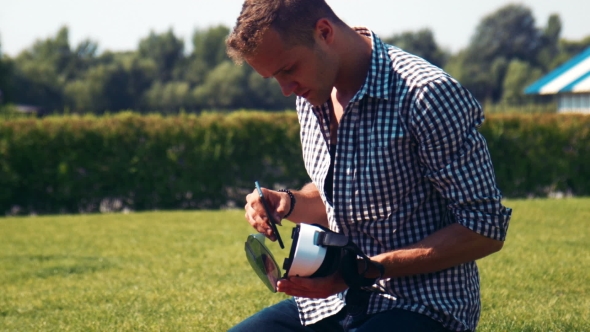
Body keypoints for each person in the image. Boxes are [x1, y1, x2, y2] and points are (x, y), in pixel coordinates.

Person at [226, 1, 512, 331]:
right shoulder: (313, 92)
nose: (286, 90)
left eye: (288, 70)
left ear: (324, 32)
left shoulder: (426, 94)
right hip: (334, 303)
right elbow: (341, 201)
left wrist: (364, 269)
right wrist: (288, 203)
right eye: (274, 77)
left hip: (424, 307)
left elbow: (485, 229)